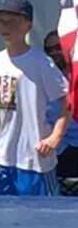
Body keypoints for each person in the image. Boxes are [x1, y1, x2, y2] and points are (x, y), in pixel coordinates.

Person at [0, 0, 70, 196]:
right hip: (6, 159)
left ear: (28, 26)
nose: (6, 27)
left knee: (43, 218)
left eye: (12, 21)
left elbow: (67, 99)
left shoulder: (40, 62)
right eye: (1, 22)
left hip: (35, 160)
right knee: (4, 217)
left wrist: (56, 135)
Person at [42, 31, 78, 177]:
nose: (54, 52)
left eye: (58, 47)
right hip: (57, 149)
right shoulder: (44, 80)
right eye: (49, 50)